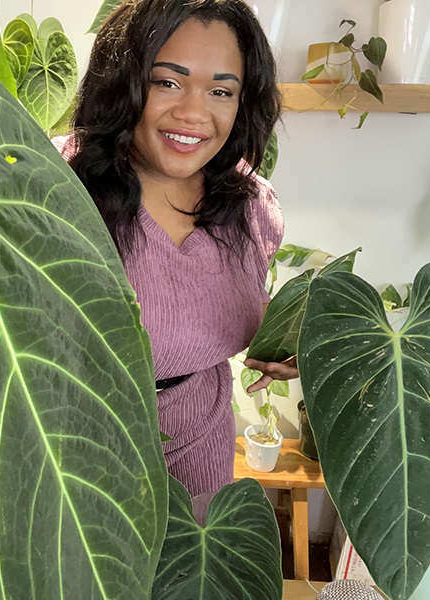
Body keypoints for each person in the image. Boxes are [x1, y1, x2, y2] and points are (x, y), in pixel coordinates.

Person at [54, 0, 297, 500]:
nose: (193, 113)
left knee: (190, 571)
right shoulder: (56, 183)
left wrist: (289, 338)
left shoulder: (249, 206)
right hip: (71, 441)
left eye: (221, 90)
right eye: (166, 81)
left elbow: (212, 304)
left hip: (199, 435)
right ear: (123, 83)